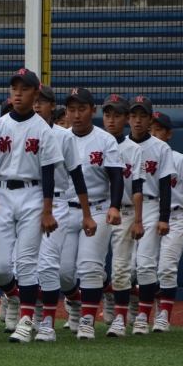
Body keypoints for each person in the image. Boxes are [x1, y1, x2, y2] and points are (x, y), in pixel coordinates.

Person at [0, 69, 64, 343]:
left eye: (24, 88)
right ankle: (15, 297)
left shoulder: (43, 129)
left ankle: (26, 321)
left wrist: (47, 210)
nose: (18, 93)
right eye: (14, 88)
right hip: (1, 193)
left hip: (32, 194)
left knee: (27, 262)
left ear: (35, 93)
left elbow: (49, 172)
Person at [59, 87, 124, 340]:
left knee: (88, 267)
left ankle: (87, 320)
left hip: (98, 208)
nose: (76, 115)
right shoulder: (60, 138)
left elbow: (116, 176)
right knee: (63, 273)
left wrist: (114, 206)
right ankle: (78, 302)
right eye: (71, 109)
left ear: (93, 110)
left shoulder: (105, 139)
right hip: (65, 208)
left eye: (82, 109)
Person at [34, 84, 95, 342]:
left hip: (59, 203)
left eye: (42, 101)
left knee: (55, 268)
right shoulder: (15, 129)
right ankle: (33, 311)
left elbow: (77, 176)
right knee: (16, 266)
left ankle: (48, 318)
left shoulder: (63, 136)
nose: (37, 105)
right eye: (34, 100)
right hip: (24, 199)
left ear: (52, 106)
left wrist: (87, 213)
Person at [149, 112, 183, 333]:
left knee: (167, 268)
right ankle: (149, 304)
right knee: (144, 268)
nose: (153, 134)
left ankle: (164, 315)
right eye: (150, 129)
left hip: (175, 216)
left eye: (158, 130)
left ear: (169, 134)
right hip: (149, 215)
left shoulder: (181, 160)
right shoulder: (140, 157)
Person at [127, 96, 175, 335]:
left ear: (149, 118)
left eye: (143, 115)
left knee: (145, 264)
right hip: (125, 206)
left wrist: (164, 217)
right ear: (128, 118)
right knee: (126, 267)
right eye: (134, 115)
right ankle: (122, 312)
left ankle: (143, 317)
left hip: (151, 205)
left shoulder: (161, 147)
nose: (138, 120)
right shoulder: (119, 145)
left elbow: (166, 185)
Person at [100, 95, 145, 337]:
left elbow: (137, 187)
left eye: (117, 115)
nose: (111, 120)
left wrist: (138, 220)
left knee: (120, 269)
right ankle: (111, 295)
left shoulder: (134, 149)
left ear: (127, 119)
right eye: (107, 115)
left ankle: (119, 318)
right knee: (91, 268)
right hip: (97, 209)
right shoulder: (95, 141)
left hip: (125, 212)